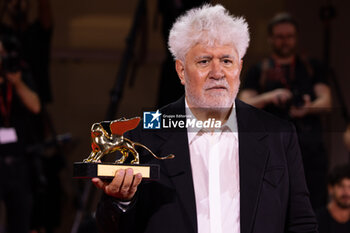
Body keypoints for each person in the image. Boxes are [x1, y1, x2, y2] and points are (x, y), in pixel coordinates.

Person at [92, 4, 318, 233]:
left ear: (239, 67)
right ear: (181, 71)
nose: (217, 72)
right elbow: (109, 227)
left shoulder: (278, 135)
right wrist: (121, 201)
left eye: (227, 61)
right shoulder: (143, 133)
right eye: (204, 61)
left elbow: (302, 223)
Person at [239, 13, 332, 210]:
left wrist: (308, 108)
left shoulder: (310, 67)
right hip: (272, 151)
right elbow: (243, 104)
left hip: (310, 150)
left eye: (289, 36)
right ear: (271, 39)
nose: (285, 41)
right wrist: (270, 97)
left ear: (296, 38)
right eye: (280, 36)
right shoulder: (260, 70)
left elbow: (327, 101)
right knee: (273, 206)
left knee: (312, 206)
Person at [0, 35, 41, 233]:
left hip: (18, 161)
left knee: (20, 219)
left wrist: (16, 83)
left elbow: (35, 106)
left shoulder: (17, 72)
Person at [316, 163, 350, 233]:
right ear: (330, 188)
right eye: (341, 186)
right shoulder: (317, 219)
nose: (346, 192)